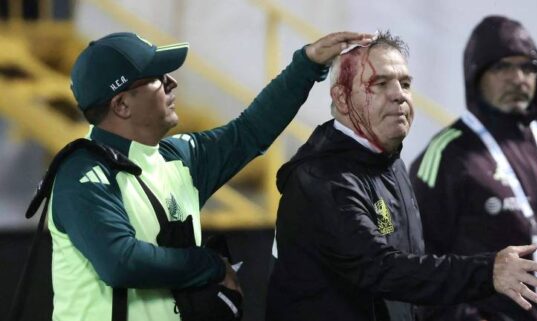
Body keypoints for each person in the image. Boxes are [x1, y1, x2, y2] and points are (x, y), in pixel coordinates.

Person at [46, 31, 372, 321]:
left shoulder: (179, 157)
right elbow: (119, 262)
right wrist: (211, 266)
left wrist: (307, 64)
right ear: (122, 105)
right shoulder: (82, 174)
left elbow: (249, 131)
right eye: (156, 76)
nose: (172, 81)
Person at [265, 30, 537, 321]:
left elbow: (410, 273)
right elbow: (384, 269)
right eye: (379, 84)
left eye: (405, 83)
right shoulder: (323, 180)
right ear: (341, 97)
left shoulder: (385, 160)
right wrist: (488, 271)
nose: (399, 95)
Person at [409, 16, 537, 321]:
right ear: (475, 75)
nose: (518, 78)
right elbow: (419, 265)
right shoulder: (447, 154)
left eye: (527, 67)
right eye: (502, 67)